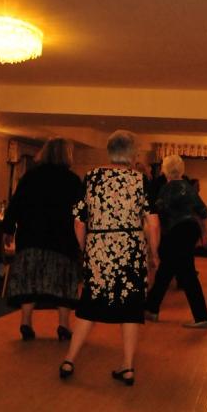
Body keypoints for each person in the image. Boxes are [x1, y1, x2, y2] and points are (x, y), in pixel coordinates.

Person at [59, 131, 159, 386]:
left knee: (89, 305)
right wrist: (154, 253)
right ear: (132, 153)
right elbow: (154, 223)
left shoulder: (92, 178)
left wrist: (86, 247)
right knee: (130, 309)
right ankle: (128, 367)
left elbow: (79, 221)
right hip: (130, 249)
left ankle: (69, 359)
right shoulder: (140, 180)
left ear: (110, 151)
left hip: (99, 249)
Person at [3, 138, 84, 341]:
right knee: (63, 283)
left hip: (31, 236)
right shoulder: (73, 180)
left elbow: (15, 205)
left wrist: (8, 229)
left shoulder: (30, 177)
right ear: (67, 155)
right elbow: (81, 214)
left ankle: (26, 322)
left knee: (29, 280)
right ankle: (63, 325)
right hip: (62, 240)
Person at [145, 154, 207, 328]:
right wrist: (203, 235)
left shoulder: (166, 189)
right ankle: (151, 308)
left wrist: (155, 243)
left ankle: (202, 317)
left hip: (176, 232)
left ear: (165, 170)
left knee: (184, 273)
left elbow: (159, 216)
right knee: (168, 270)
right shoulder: (188, 188)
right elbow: (203, 213)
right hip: (190, 230)